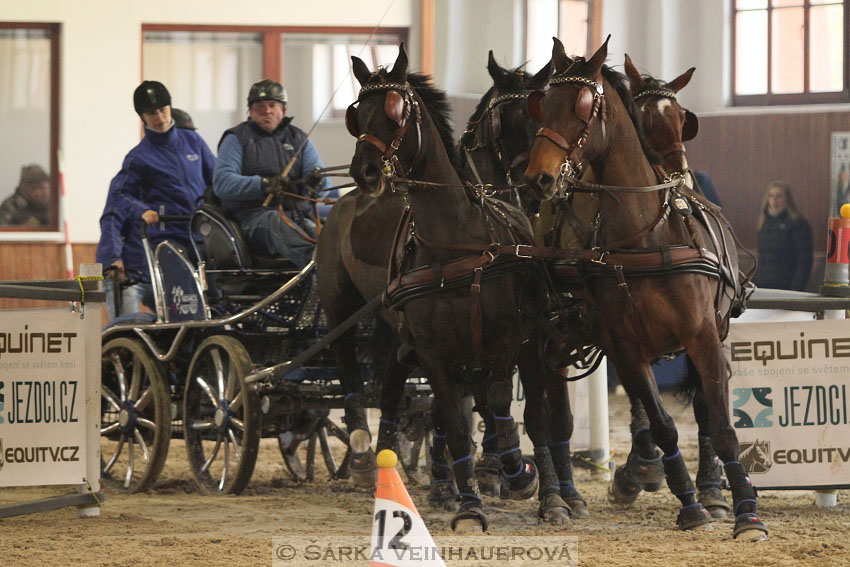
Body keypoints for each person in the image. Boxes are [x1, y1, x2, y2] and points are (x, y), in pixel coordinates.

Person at [96, 83, 215, 320]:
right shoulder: (137, 159)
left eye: (163, 110)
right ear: (142, 118)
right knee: (128, 326)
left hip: (194, 245)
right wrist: (111, 259)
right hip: (145, 261)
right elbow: (114, 209)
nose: (160, 118)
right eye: (152, 113)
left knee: (197, 312)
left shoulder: (194, 142)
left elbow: (218, 181)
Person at [213, 79, 329, 268]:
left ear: (283, 110)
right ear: (250, 111)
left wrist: (316, 183)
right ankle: (317, 267)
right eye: (260, 106)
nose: (267, 111)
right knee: (275, 221)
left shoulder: (299, 139)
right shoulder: (236, 139)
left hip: (298, 217)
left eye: (272, 105)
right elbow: (222, 183)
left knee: (322, 234)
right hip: (253, 219)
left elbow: (322, 188)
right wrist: (263, 184)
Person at [752, 180, 813, 291]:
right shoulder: (764, 223)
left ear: (787, 199)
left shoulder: (798, 223)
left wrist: (796, 288)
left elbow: (804, 261)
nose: (774, 200)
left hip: (785, 284)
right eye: (771, 196)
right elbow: (761, 258)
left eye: (779, 196)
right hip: (762, 283)